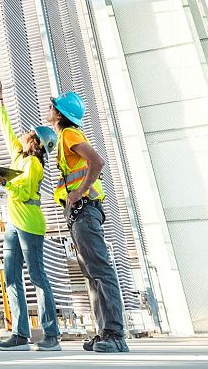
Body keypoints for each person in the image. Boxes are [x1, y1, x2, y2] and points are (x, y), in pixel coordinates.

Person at [48, 91, 129, 354]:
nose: (50, 110)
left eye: (53, 108)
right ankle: (104, 331)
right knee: (92, 274)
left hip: (85, 210)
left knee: (101, 271)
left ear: (59, 114)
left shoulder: (69, 134)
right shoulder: (64, 138)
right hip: (79, 213)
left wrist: (80, 191)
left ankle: (115, 334)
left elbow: (97, 161)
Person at [0, 85, 62, 352]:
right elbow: (7, 132)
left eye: (30, 135)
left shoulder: (34, 165)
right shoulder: (19, 156)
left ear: (36, 143)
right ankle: (19, 335)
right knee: (11, 277)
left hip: (29, 223)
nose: (25, 135)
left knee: (38, 276)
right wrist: (1, 102)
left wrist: (1, 181)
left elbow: (24, 191)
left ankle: (51, 335)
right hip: (14, 224)